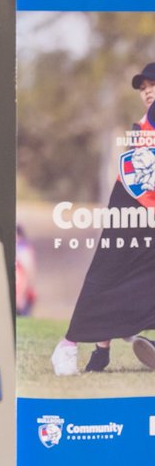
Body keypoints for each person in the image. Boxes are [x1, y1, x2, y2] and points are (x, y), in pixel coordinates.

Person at [50, 62, 155, 374]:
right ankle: (69, 344)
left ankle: (103, 350)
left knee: (140, 274)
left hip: (145, 204)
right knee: (108, 273)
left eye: (152, 85)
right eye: (142, 87)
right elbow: (138, 173)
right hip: (133, 204)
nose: (147, 91)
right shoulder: (150, 118)